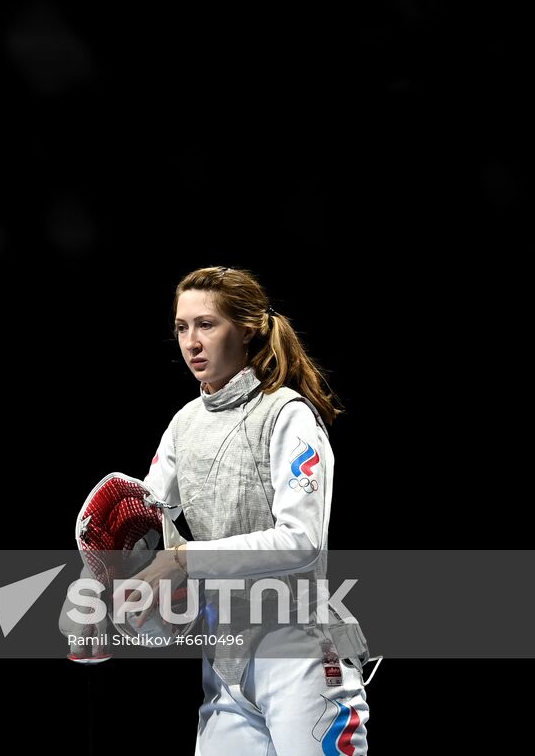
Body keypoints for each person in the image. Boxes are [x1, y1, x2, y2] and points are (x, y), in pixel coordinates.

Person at [129, 265, 374, 755]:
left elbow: (301, 542)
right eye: (181, 327)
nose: (191, 342)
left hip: (300, 651)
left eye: (207, 324)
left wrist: (183, 559)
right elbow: (145, 516)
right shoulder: (184, 424)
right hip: (225, 660)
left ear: (246, 328)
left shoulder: (287, 413)